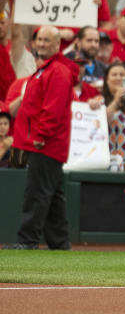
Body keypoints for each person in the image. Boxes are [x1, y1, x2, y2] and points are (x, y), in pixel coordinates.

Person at [5, 26, 74, 250]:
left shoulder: (57, 71)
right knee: (52, 195)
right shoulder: (45, 70)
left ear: (57, 45)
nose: (42, 44)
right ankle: (60, 243)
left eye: (47, 40)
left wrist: (41, 137)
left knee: (37, 194)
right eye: (39, 40)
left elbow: (52, 110)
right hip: (41, 144)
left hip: (44, 144)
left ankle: (27, 240)